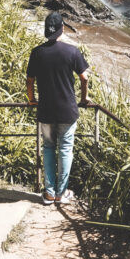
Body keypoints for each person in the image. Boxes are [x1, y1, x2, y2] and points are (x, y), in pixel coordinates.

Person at [26, 11, 91, 205]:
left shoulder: (37, 53)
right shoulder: (72, 51)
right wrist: (84, 97)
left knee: (48, 147)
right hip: (67, 111)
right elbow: (84, 77)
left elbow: (30, 80)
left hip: (45, 110)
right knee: (65, 149)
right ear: (62, 28)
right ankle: (62, 194)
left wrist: (32, 99)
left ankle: (49, 193)